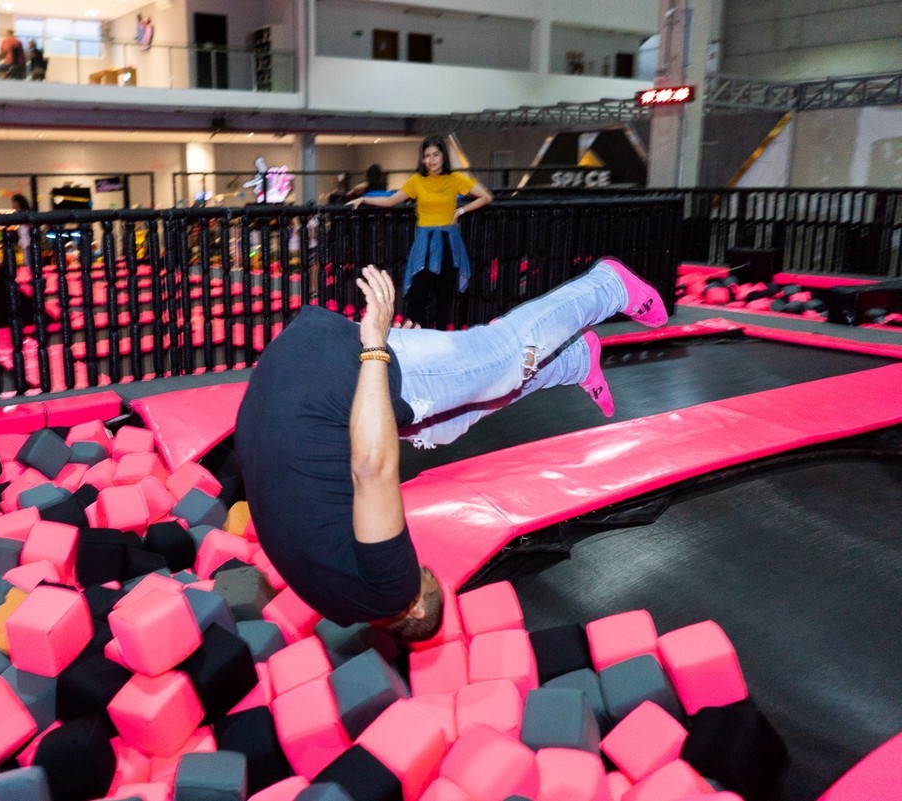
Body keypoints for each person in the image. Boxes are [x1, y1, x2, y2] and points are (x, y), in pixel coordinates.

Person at [235, 257, 667, 642]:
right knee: (442, 427)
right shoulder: (339, 606)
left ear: (417, 608)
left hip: (327, 370)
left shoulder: (391, 591)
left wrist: (375, 349)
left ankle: (607, 286)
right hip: (281, 376)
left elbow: (372, 468)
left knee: (500, 361)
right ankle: (571, 363)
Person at [348, 136, 493, 330]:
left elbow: (486, 197)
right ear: (422, 159)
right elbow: (392, 200)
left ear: (443, 156)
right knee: (418, 294)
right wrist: (364, 200)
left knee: (444, 296)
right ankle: (415, 337)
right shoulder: (417, 181)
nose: (431, 160)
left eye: (435, 154)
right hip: (425, 242)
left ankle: (440, 340)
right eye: (427, 156)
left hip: (448, 242)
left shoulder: (455, 178)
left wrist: (460, 211)